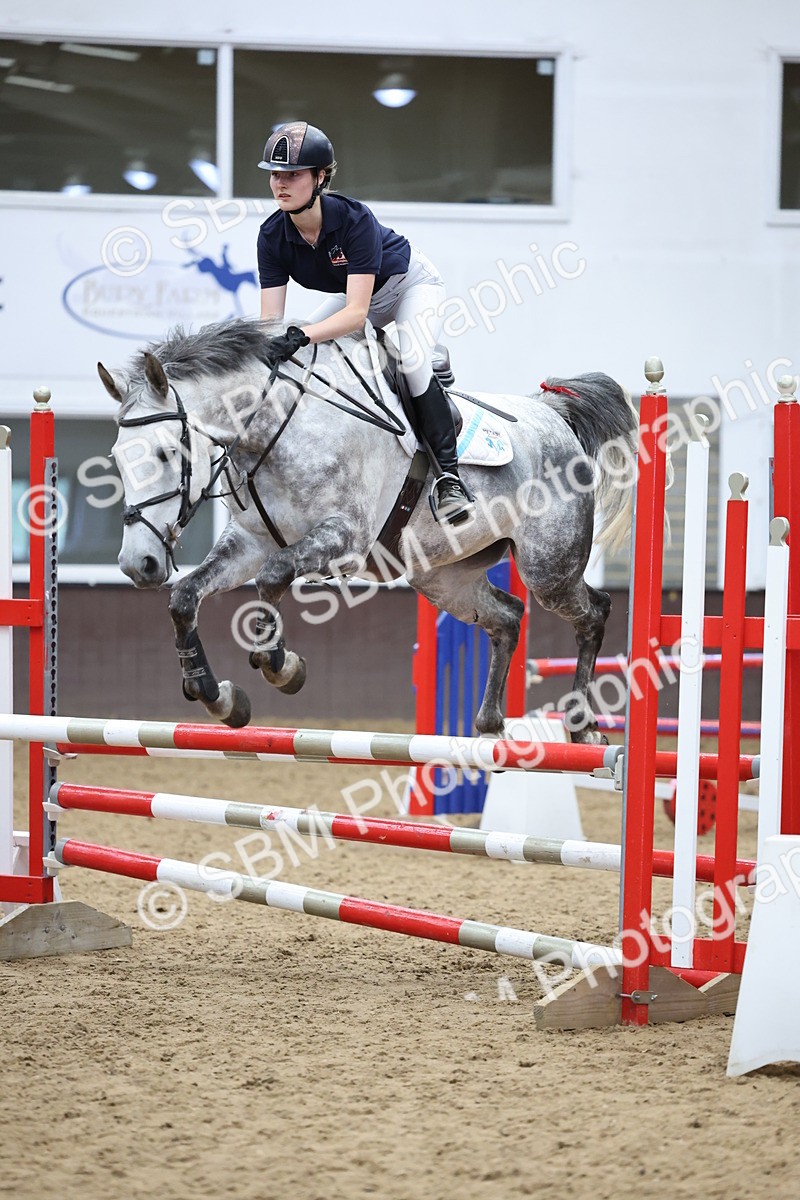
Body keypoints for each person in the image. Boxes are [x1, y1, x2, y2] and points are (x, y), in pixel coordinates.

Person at [256, 120, 474, 526]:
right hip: (360, 292)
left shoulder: (353, 218)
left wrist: (301, 335)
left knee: (411, 360)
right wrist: (272, 348)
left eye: (293, 175)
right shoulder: (271, 236)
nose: (280, 184)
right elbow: (271, 323)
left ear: (320, 177)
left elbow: (355, 315)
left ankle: (450, 478)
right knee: (292, 355)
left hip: (409, 285)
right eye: (275, 174)